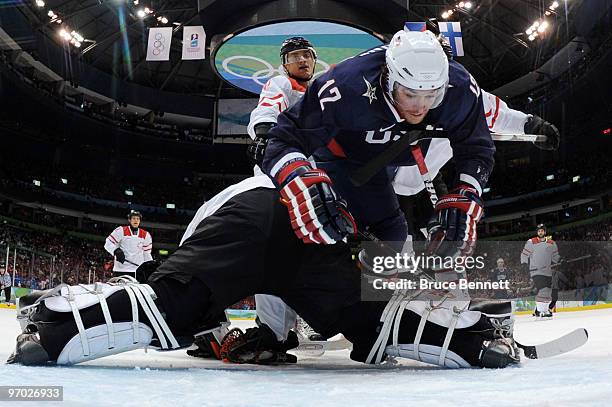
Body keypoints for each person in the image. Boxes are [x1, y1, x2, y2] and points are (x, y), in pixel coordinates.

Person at [9, 176, 519, 369]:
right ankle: (475, 340)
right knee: (374, 323)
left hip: (259, 216)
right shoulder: (368, 179)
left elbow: (194, 288)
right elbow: (281, 290)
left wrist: (213, 330)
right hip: (314, 232)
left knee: (171, 305)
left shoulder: (226, 200)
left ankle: (57, 328)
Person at [247, 37, 326, 344]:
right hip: (280, 175)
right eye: (295, 56)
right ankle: (273, 331)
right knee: (274, 248)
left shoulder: (322, 90)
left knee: (314, 251)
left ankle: (298, 323)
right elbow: (267, 107)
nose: (303, 60)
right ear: (284, 63)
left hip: (316, 179)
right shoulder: (281, 83)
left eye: (307, 55)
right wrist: (265, 133)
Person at [521, 224, 560, 318]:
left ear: (545, 232)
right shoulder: (531, 242)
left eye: (542, 230)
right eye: (539, 231)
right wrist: (524, 265)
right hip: (536, 271)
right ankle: (542, 311)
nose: (540, 232)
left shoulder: (551, 243)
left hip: (547, 271)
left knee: (547, 291)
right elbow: (524, 254)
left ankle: (538, 309)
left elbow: (555, 257)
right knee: (544, 289)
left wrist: (560, 260)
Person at [104, 211, 153, 277]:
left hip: (137, 271)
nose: (136, 220)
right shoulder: (121, 230)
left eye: (138, 219)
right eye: (133, 218)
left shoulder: (146, 234)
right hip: (120, 270)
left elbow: (146, 253)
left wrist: (150, 267)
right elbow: (108, 243)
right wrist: (116, 250)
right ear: (129, 220)